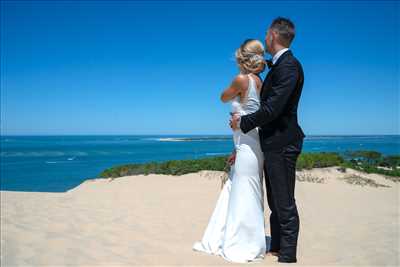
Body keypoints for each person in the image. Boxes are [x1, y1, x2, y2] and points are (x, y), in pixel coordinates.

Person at [230, 17, 305, 263]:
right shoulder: (280, 65)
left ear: (273, 35)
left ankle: (288, 255)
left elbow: (272, 108)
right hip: (272, 142)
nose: (264, 39)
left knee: (284, 201)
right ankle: (278, 245)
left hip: (283, 142)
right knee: (275, 200)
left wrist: (243, 123)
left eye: (266, 34)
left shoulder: (289, 67)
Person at [192, 39, 267, 263]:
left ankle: (241, 243)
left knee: (243, 190)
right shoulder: (259, 81)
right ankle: (248, 239)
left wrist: (237, 112)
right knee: (247, 189)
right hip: (251, 143)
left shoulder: (242, 79)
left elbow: (222, 97)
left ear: (242, 58)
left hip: (246, 143)